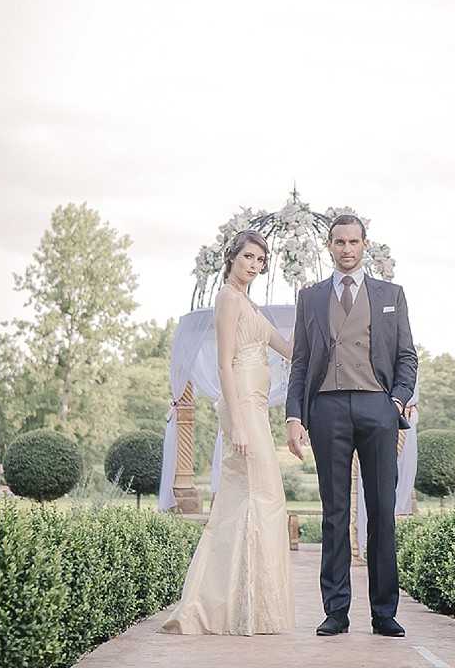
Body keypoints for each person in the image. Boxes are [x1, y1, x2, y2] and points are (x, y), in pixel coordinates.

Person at [286, 214, 417, 638]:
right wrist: (294, 415)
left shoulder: (390, 294)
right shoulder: (310, 297)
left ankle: (384, 612)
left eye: (353, 242)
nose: (347, 249)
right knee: (335, 512)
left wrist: (395, 399)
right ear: (329, 246)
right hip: (327, 409)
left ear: (365, 245)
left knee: (381, 510)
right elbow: (301, 361)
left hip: (377, 408)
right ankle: (336, 611)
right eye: (339, 242)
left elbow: (407, 356)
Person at [161, 230, 295, 636]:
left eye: (260, 260)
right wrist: (236, 422)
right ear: (232, 257)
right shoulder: (227, 298)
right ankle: (232, 608)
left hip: (256, 408)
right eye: (248, 257)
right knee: (261, 497)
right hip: (240, 410)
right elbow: (223, 364)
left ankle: (248, 607)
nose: (254, 265)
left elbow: (289, 349)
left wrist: (312, 310)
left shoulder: (250, 304)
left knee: (253, 502)